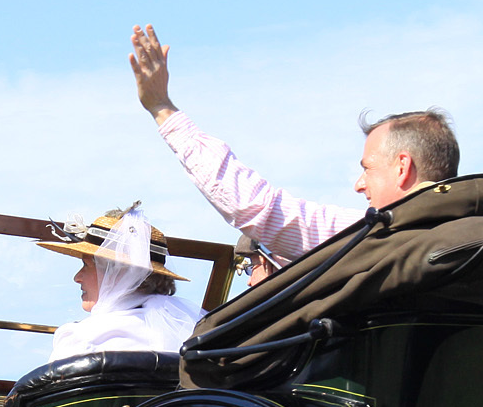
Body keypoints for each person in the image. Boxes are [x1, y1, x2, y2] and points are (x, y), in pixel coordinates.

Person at [129, 25, 464, 267]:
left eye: (368, 169)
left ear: (402, 167)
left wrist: (163, 110)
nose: (359, 184)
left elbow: (256, 207)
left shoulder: (371, 234)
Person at [39, 206, 205, 361]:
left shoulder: (82, 340)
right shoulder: (196, 330)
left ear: (117, 273)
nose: (77, 277)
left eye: (86, 265)